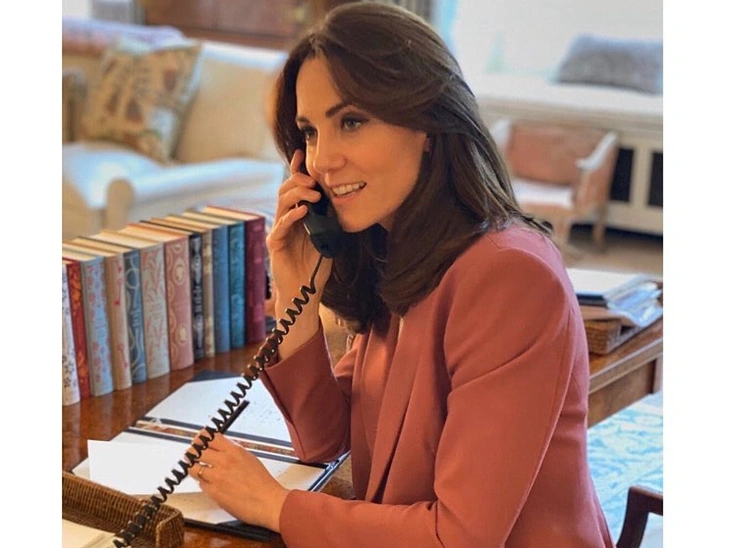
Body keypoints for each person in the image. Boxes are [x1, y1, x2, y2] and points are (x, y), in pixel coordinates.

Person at [190, 3, 615, 546]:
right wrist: (297, 296)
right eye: (310, 133)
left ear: (428, 124)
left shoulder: (509, 277)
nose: (321, 162)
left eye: (351, 122)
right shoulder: (399, 250)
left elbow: (458, 537)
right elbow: (324, 440)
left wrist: (274, 506)